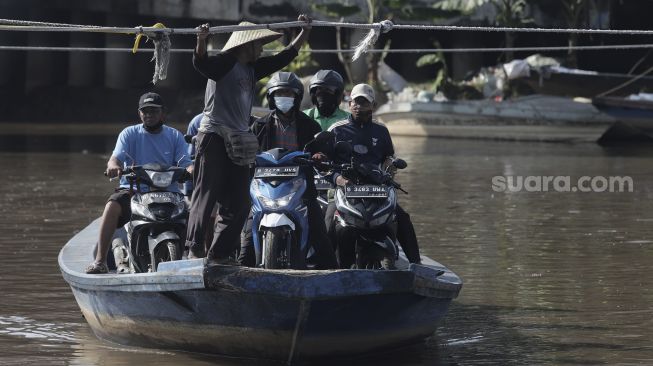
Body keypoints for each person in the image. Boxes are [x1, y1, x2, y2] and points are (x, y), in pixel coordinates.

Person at [186, 15, 312, 263]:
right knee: (206, 194)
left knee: (241, 203)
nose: (262, 49)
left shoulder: (252, 69)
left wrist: (304, 31)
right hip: (214, 137)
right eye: (259, 44)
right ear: (247, 45)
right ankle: (193, 247)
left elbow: (285, 56)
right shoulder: (225, 62)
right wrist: (201, 40)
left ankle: (219, 254)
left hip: (239, 142)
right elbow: (201, 64)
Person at [239, 72, 338, 269]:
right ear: (271, 97)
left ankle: (335, 279)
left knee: (320, 235)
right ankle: (239, 276)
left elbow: (321, 149)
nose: (284, 97)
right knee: (247, 238)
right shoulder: (258, 125)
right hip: (264, 187)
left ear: (297, 98)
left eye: (288, 93)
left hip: (301, 188)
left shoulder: (309, 125)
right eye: (280, 93)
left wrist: (320, 156)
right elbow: (246, 151)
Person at [86, 92, 192, 274]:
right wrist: (113, 166)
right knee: (112, 205)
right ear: (139, 113)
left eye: (153, 111)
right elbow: (115, 158)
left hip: (169, 194)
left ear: (163, 113)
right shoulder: (129, 134)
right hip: (134, 191)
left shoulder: (174, 136)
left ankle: (196, 256)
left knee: (195, 211)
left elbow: (186, 163)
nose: (149, 114)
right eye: (145, 111)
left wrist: (191, 170)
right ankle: (100, 260)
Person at [326, 84, 422, 267]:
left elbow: (388, 157)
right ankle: (326, 268)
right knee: (329, 221)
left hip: (376, 190)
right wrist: (338, 179)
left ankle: (416, 265)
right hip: (344, 189)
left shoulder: (381, 131)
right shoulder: (337, 130)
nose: (359, 106)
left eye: (364, 102)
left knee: (402, 218)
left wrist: (390, 168)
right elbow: (326, 165)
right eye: (355, 102)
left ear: (373, 105)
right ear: (349, 103)